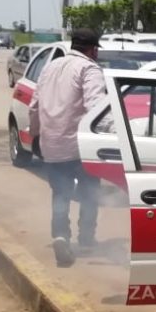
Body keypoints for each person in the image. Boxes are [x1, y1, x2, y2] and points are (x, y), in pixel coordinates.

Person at [28, 28, 106, 267]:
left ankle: (61, 236)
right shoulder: (89, 69)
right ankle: (86, 239)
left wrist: (35, 135)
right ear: (93, 49)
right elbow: (96, 107)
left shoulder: (50, 67)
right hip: (81, 146)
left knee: (60, 194)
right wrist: (111, 134)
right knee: (90, 193)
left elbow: (34, 106)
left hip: (52, 144)